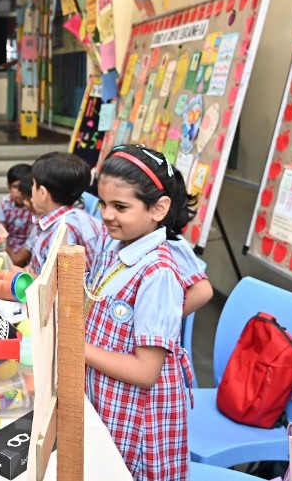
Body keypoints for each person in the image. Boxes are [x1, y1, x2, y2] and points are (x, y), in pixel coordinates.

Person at [83, 144, 196, 481]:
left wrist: (75, 347)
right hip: (111, 403)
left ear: (158, 208)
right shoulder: (116, 247)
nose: (106, 215)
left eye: (120, 206)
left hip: (139, 419)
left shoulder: (158, 274)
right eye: (103, 203)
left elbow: (146, 371)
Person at [26, 151, 107, 274]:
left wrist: (28, 277)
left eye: (33, 184)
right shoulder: (77, 217)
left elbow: (63, 282)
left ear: (42, 192)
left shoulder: (63, 232)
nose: (31, 188)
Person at [0, 162, 33, 266]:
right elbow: (0, 232)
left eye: (22, 187)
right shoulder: (4, 204)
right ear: (8, 187)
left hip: (29, 247)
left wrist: (17, 258)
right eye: (15, 187)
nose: (19, 192)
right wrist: (11, 255)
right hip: (7, 245)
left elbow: (34, 238)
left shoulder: (35, 206)